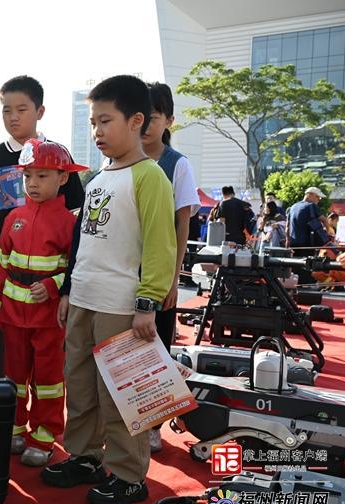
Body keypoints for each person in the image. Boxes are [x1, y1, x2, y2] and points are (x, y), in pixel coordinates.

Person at [41, 75, 176, 504]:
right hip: (83, 298)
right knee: (79, 387)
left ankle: (128, 475)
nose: (97, 131)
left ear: (137, 120)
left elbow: (160, 242)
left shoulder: (149, 176)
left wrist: (148, 303)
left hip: (122, 305)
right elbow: (82, 243)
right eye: (93, 122)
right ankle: (84, 457)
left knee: (121, 396)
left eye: (105, 121)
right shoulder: (99, 177)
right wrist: (66, 291)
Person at [0, 139, 82, 467]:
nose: (33, 183)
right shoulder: (14, 216)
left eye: (42, 176)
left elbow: (74, 268)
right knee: (13, 376)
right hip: (13, 314)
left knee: (49, 379)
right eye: (28, 176)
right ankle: (15, 427)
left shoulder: (70, 223)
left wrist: (53, 286)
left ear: (63, 178)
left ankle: (45, 433)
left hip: (48, 317)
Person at [0, 75, 85, 376]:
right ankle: (4, 417)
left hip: (47, 282)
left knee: (47, 359)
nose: (13, 117)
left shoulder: (58, 154)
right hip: (7, 268)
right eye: (6, 110)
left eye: (22, 109)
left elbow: (74, 213)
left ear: (40, 111)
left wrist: (60, 283)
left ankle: (46, 422)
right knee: (3, 350)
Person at [141, 82, 199, 453]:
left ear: (169, 121)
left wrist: (174, 279)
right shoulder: (116, 160)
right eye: (140, 117)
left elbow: (182, 223)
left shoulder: (176, 164)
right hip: (124, 274)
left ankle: (153, 425)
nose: (146, 124)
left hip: (159, 276)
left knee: (157, 346)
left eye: (155, 117)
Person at [286, 186, 331, 256]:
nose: (319, 199)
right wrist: (329, 232)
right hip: (308, 244)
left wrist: (288, 241)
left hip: (294, 243)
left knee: (296, 264)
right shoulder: (311, 205)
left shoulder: (293, 207)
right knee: (309, 264)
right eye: (318, 197)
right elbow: (324, 220)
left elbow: (287, 227)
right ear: (310, 194)